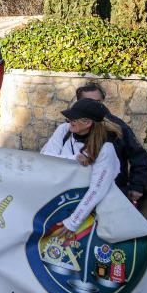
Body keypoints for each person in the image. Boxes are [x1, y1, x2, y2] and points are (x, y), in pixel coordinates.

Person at [40, 97, 123, 238]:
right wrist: (74, 159)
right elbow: (46, 159)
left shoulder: (106, 149)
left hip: (90, 210)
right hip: (59, 201)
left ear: (88, 123)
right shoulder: (64, 130)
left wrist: (73, 222)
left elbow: (97, 190)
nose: (69, 121)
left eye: (73, 118)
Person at [74, 82, 147, 206]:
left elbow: (139, 156)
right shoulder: (69, 128)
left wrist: (136, 185)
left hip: (114, 192)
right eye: (89, 102)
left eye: (98, 102)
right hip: (77, 192)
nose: (95, 106)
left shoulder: (119, 127)